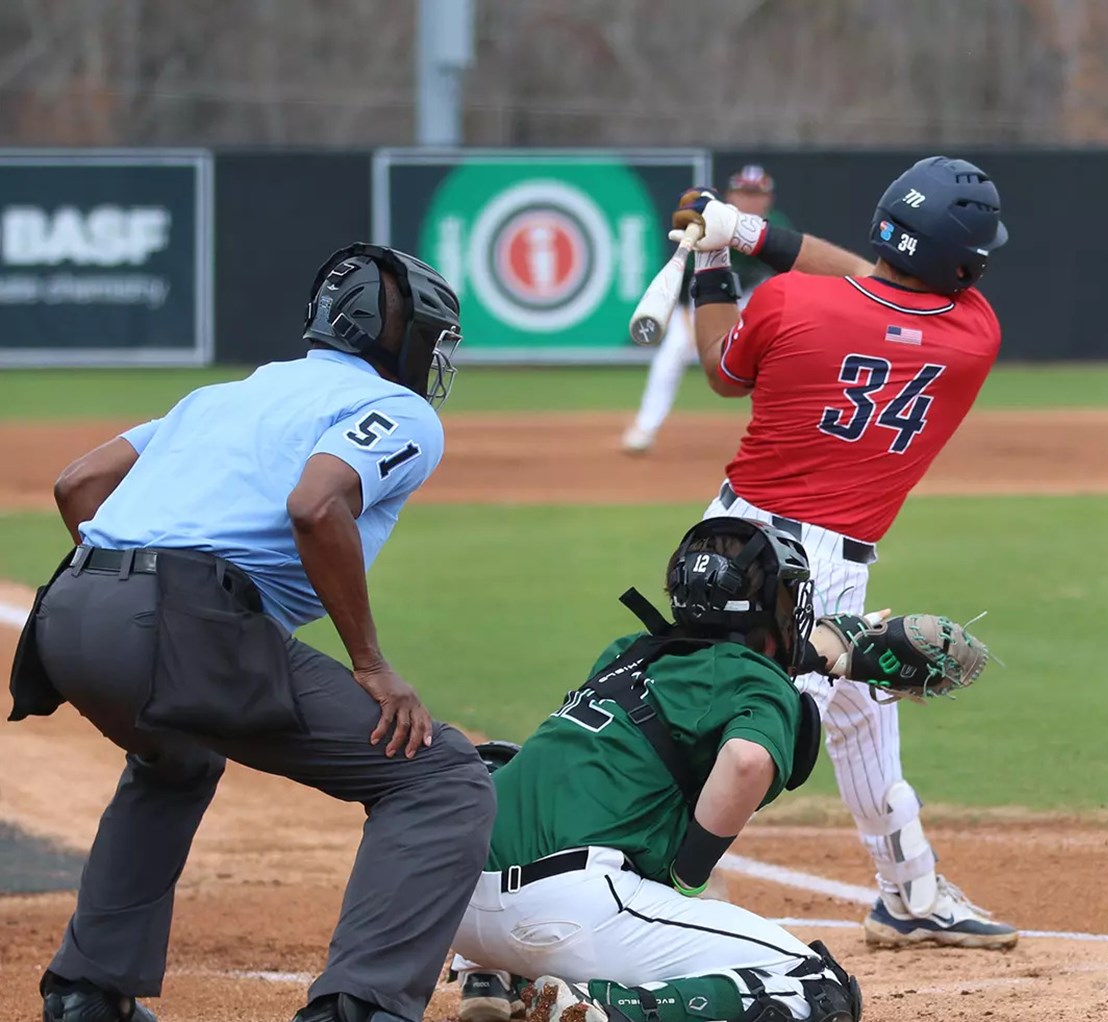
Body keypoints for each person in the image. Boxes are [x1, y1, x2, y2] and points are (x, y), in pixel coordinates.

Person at [7, 244, 496, 1022]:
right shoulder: (405, 412)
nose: (437, 353)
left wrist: (122, 580)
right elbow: (316, 505)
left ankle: (85, 994)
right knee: (439, 776)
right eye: (433, 334)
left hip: (65, 614)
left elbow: (81, 484)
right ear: (395, 334)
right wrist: (371, 665)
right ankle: (357, 1008)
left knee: (176, 754)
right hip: (178, 622)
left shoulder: (223, 394)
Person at [667, 156, 1017, 949]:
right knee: (747, 737)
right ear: (959, 260)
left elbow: (724, 368)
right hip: (818, 571)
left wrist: (718, 256)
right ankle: (626, 883)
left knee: (860, 717)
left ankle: (909, 892)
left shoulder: (792, 301)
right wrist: (747, 231)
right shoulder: (974, 335)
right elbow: (879, 282)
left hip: (725, 538)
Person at [448, 516, 987, 1022]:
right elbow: (746, 758)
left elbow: (705, 676)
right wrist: (689, 875)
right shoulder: (758, 685)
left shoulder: (626, 652)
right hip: (569, 916)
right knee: (816, 988)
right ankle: (608, 1008)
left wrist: (820, 653)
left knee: (514, 766)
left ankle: (492, 977)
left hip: (461, 911)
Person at [622, 164, 794, 455]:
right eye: (744, 192)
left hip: (752, 297)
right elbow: (683, 279)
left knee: (780, 354)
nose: (751, 199)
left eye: (757, 193)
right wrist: (691, 324)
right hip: (701, 294)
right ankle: (645, 428)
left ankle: (784, 432)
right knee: (675, 348)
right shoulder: (711, 222)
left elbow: (787, 278)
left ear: (769, 199)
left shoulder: (776, 226)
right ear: (731, 196)